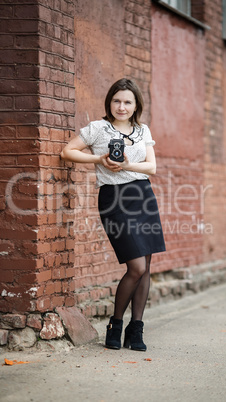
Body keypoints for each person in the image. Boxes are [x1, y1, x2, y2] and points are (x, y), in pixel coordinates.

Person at [60, 78, 166, 351]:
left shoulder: (142, 130)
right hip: (114, 198)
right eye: (117, 100)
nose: (121, 106)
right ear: (109, 102)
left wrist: (130, 164)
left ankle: (136, 328)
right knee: (136, 267)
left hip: (143, 197)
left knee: (147, 268)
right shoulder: (97, 128)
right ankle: (115, 323)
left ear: (135, 105)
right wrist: (99, 159)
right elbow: (67, 152)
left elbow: (152, 168)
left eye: (127, 102)